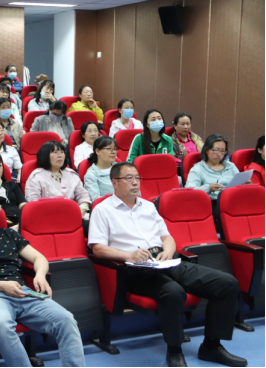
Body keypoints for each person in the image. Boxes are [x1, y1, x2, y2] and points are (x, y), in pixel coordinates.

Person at [89, 162, 248, 368]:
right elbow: (98, 248)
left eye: (137, 177)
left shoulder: (147, 206)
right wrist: (130, 255)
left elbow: (167, 237)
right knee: (173, 292)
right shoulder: (103, 210)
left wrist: (168, 251)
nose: (135, 182)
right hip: (134, 268)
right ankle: (174, 350)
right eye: (129, 178)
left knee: (226, 283)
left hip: (164, 260)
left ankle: (211, 346)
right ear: (114, 182)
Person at [0, 190, 87, 367]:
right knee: (1, 323)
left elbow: (39, 259)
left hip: (22, 292)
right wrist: (1, 286)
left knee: (66, 319)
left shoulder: (9, 235)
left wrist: (39, 275)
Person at [25, 141, 92, 222]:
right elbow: (33, 203)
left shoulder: (71, 174)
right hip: (47, 218)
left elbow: (83, 196)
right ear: (45, 155)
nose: (60, 155)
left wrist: (80, 211)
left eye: (62, 152)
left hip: (75, 215)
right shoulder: (36, 176)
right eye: (55, 152)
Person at [186, 134, 246, 201]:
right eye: (216, 150)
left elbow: (238, 184)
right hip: (212, 203)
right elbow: (189, 191)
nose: (219, 154)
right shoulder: (198, 169)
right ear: (206, 150)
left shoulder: (230, 166)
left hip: (233, 200)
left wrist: (244, 184)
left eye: (223, 151)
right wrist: (208, 188)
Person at [84, 136, 118, 201]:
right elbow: (96, 200)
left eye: (114, 149)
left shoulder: (122, 168)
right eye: (109, 149)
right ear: (97, 151)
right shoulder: (91, 174)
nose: (113, 152)